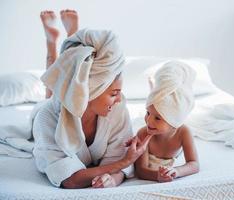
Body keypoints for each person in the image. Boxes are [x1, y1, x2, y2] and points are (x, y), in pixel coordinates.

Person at [33, 10, 151, 189]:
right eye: (113, 93)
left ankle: (71, 40)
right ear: (90, 90)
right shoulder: (46, 118)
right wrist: (124, 162)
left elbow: (115, 168)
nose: (119, 99)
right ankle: (52, 45)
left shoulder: (117, 109)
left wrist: (113, 179)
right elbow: (70, 179)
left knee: (67, 82)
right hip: (49, 107)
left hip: (77, 92)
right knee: (52, 92)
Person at [132, 61, 199, 182]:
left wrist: (177, 171)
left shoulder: (184, 132)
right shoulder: (143, 133)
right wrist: (157, 176)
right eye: (148, 112)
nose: (149, 121)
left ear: (174, 123)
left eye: (158, 118)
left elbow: (194, 164)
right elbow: (141, 170)